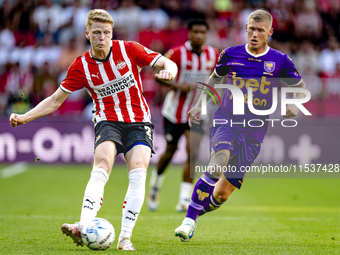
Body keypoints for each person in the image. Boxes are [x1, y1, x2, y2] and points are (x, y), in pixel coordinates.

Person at [9, 9, 177, 250]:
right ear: (87, 34)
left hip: (139, 121)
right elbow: (56, 100)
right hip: (107, 121)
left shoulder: (129, 49)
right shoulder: (81, 66)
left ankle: (125, 237)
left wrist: (170, 70)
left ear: (112, 33)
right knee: (102, 165)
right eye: (96, 33)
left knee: (138, 171)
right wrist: (26, 116)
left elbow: (166, 61)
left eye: (106, 33)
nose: (102, 37)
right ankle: (84, 225)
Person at [174, 10, 307, 241]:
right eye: (251, 29)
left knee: (222, 196)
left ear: (269, 33)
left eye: (260, 31)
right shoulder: (230, 54)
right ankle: (188, 219)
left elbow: (300, 85)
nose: (255, 34)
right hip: (227, 121)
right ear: (246, 28)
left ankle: (198, 213)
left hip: (254, 131)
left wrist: (294, 103)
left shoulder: (280, 60)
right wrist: (198, 104)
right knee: (219, 160)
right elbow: (215, 78)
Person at [147, 19, 219, 212]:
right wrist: (179, 86)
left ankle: (184, 199)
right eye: (195, 32)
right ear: (189, 33)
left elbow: (218, 78)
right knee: (170, 151)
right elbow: (156, 75)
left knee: (192, 152)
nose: (199, 36)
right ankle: (154, 187)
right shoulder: (177, 53)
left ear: (206, 34)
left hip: (197, 112)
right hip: (174, 112)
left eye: (202, 32)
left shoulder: (213, 55)